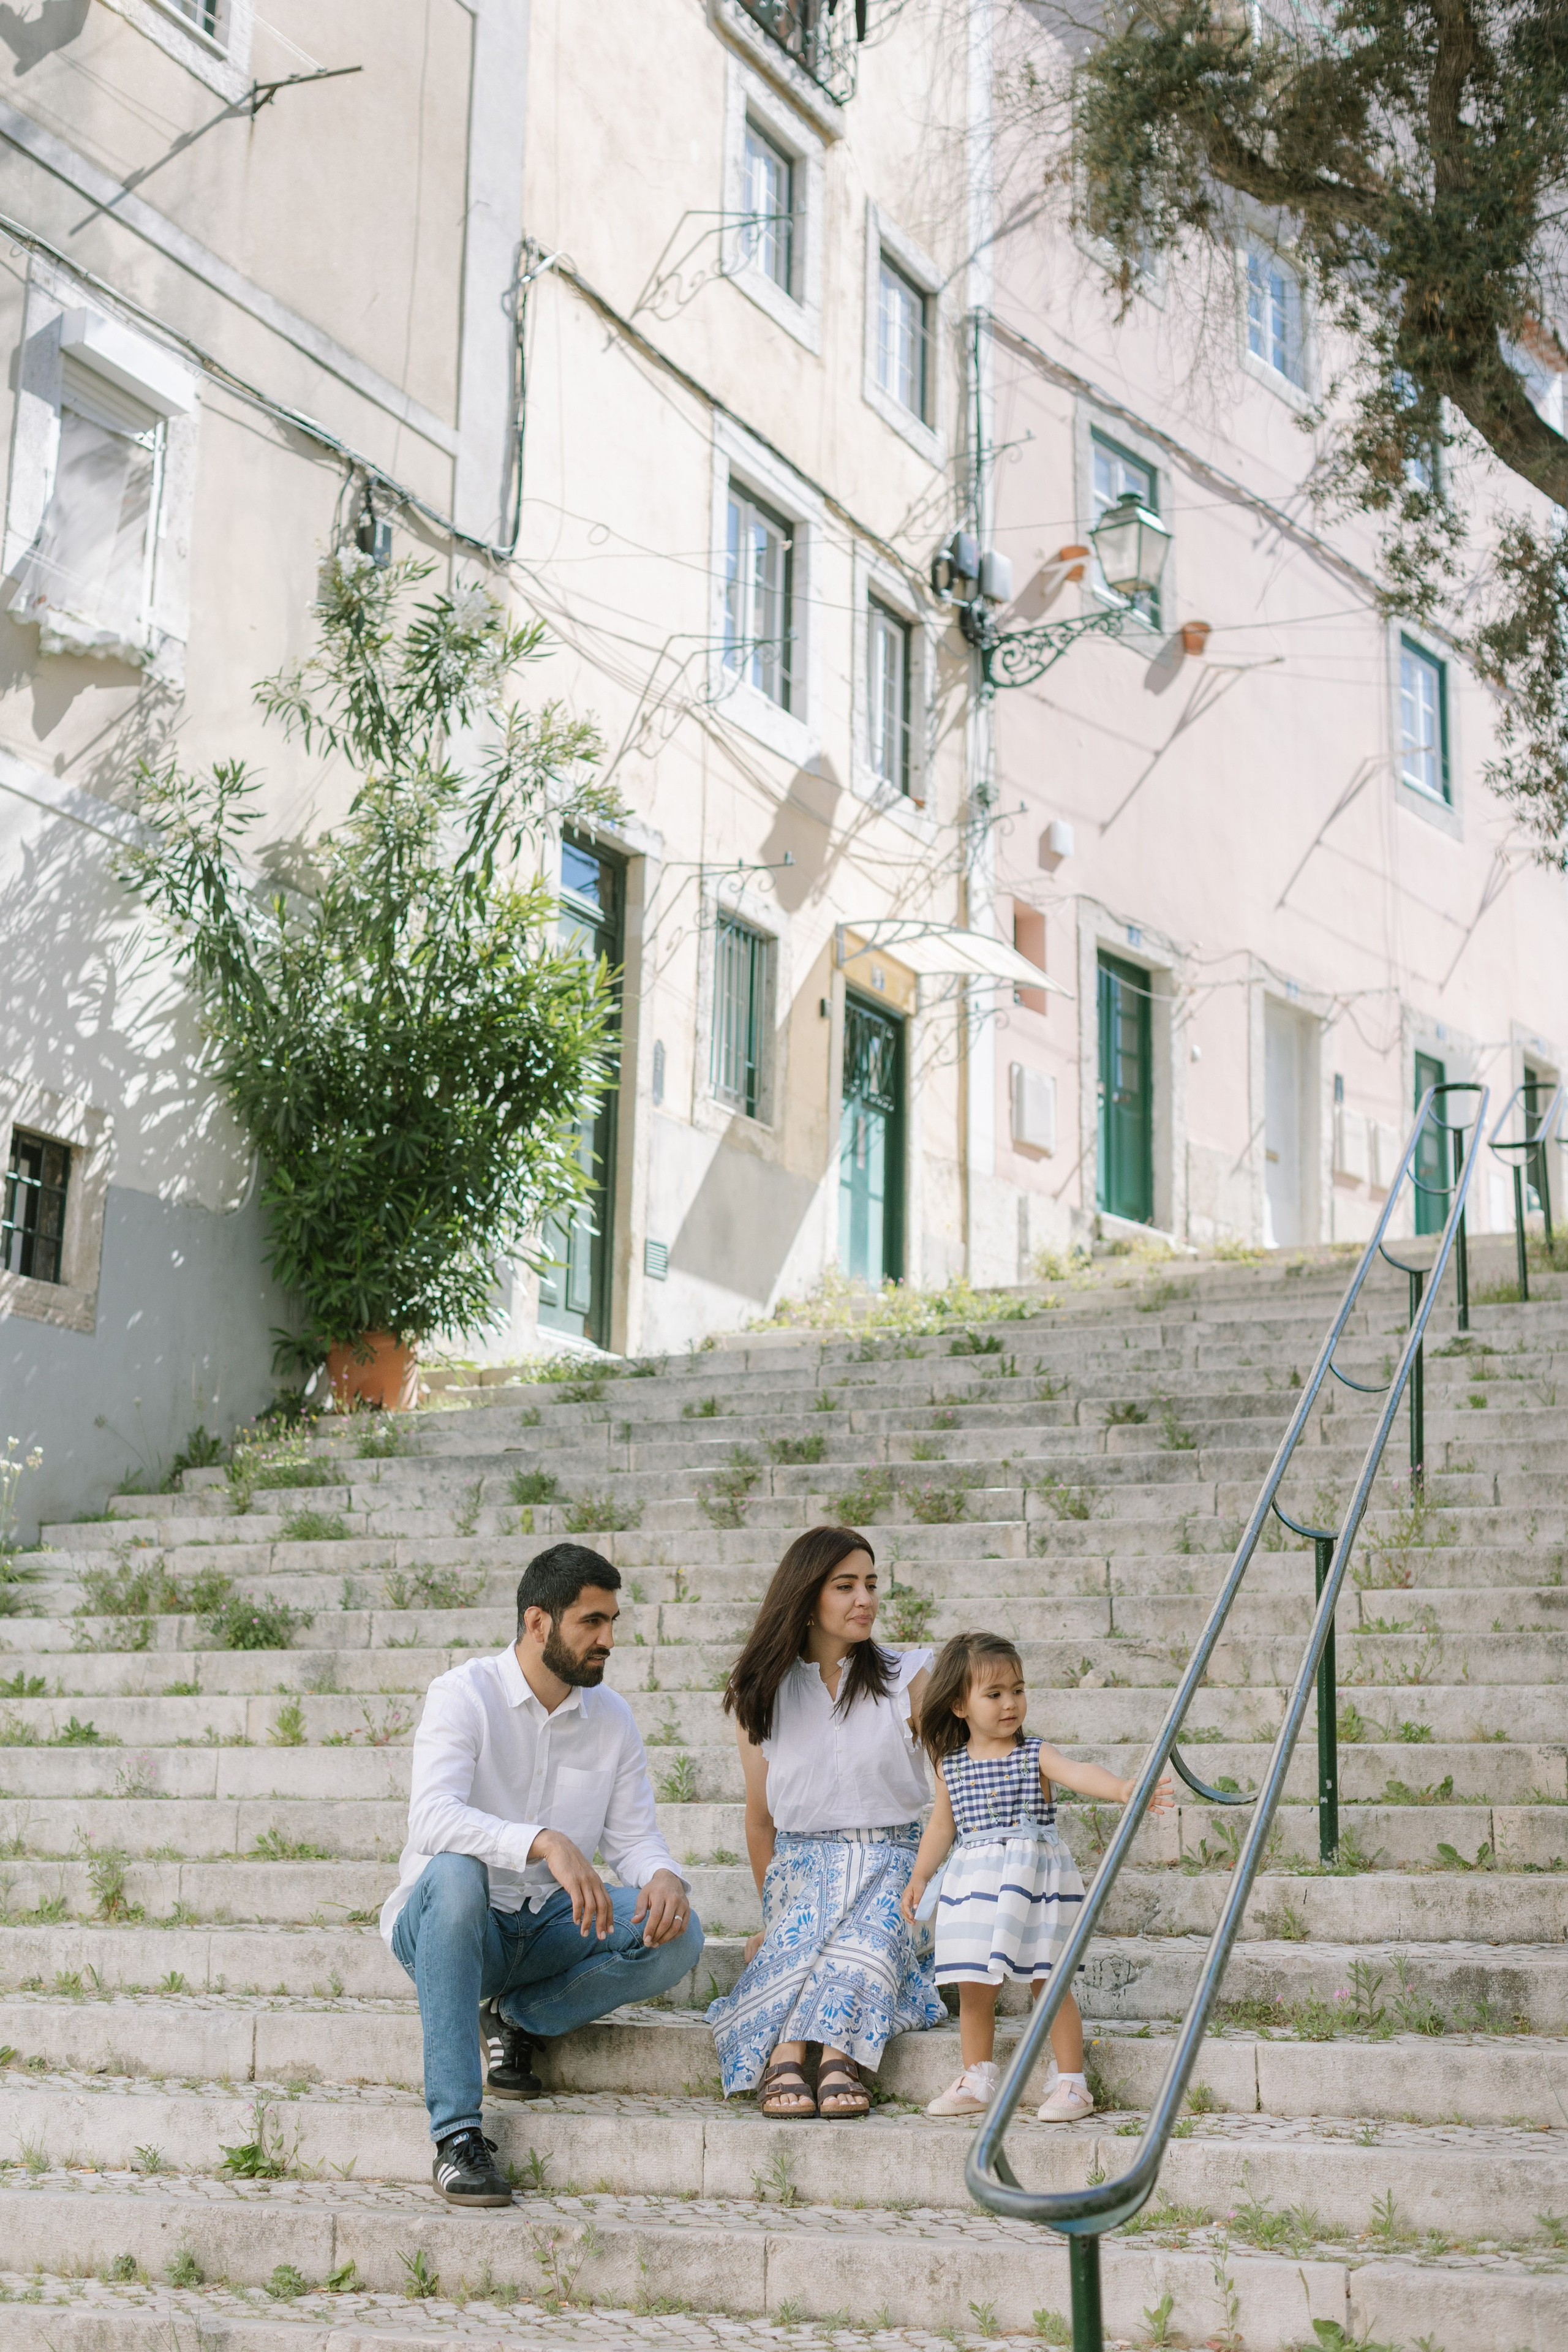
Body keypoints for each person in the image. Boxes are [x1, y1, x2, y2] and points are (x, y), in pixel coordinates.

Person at [381, 1540, 703, 2206]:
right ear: (538, 1622)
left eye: (612, 1622)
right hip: (456, 1929)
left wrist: (664, 1875)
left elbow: (635, 1837)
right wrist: (541, 1841)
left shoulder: (611, 1718)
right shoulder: (462, 1694)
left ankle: (518, 2019)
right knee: (454, 1873)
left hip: (551, 1925)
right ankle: (456, 2136)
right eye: (592, 1621)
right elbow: (432, 1818)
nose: (608, 1639)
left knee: (683, 1934)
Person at [707, 1523, 944, 2118]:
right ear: (807, 1596)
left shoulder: (907, 1677)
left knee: (862, 1935)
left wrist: (924, 1875)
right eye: (845, 1586)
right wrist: (776, 1918)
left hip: (898, 1862)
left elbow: (952, 1792)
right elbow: (760, 1823)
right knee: (807, 1934)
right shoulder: (761, 1689)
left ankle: (835, 2054)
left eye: (869, 1583)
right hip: (803, 1868)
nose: (864, 1599)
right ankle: (789, 2051)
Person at [901, 1629, 1173, 2120]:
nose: (1011, 1704)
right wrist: (921, 1875)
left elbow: (1079, 1770)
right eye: (995, 1694)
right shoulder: (951, 1767)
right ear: (960, 1706)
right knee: (973, 1986)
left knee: (1048, 1979)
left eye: (1018, 1690)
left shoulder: (1035, 1754)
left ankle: (1072, 2084)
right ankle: (977, 2077)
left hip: (1034, 1883)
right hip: (975, 1885)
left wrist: (1122, 1789)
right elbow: (942, 1826)